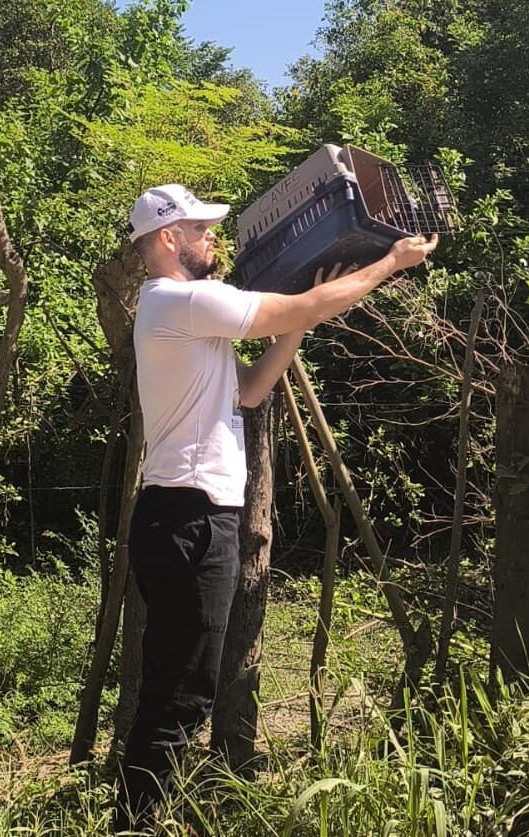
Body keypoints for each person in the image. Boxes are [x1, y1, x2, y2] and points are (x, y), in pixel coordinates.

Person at [114, 183, 438, 833]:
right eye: (200, 228)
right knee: (181, 696)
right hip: (190, 518)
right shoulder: (183, 299)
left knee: (176, 690)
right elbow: (308, 303)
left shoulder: (182, 316)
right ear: (167, 239)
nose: (212, 238)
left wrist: (299, 321)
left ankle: (136, 819)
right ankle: (136, 825)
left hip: (189, 516)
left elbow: (253, 389)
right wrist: (386, 265)